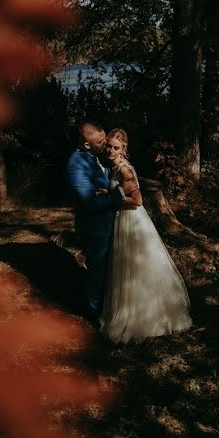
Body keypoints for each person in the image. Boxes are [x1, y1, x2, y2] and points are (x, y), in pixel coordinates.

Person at [99, 128, 192, 343]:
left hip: (131, 220)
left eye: (116, 147)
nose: (111, 151)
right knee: (126, 267)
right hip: (122, 218)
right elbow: (121, 193)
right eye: (109, 146)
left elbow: (138, 200)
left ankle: (143, 318)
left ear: (124, 149)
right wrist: (110, 194)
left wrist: (112, 199)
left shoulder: (124, 170)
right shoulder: (115, 167)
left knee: (136, 266)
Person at [66, 121, 137, 319]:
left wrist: (109, 191)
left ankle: (107, 307)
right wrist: (120, 194)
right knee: (97, 271)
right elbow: (90, 204)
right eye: (100, 141)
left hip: (109, 224)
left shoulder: (96, 156)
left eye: (105, 137)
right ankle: (93, 314)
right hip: (95, 228)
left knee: (106, 270)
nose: (105, 143)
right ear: (87, 144)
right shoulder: (76, 167)